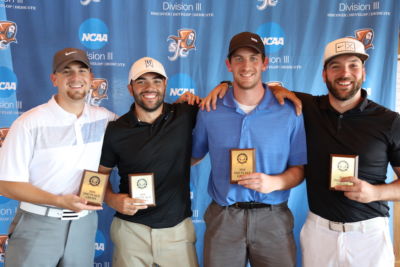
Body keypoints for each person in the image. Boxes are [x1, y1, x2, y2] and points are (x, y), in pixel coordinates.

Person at [206, 37, 400, 267]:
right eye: (335, 66)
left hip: (368, 235)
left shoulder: (389, 121)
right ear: (324, 74)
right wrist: (225, 86)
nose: (344, 73)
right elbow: (254, 88)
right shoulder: (304, 106)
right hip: (319, 232)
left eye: (353, 65)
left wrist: (375, 193)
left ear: (364, 72)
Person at [191, 31, 307, 267]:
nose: (246, 66)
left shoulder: (289, 111)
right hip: (224, 219)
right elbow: (193, 156)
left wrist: (275, 183)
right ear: (229, 65)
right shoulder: (209, 109)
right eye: (239, 59)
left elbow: (299, 169)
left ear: (265, 63)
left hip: (273, 219)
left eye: (254, 58)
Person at [0, 48, 117, 266]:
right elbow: (6, 185)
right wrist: (59, 201)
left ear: (91, 78)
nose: (75, 78)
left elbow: (144, 128)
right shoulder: (29, 123)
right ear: (54, 79)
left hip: (83, 227)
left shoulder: (105, 119)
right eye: (66, 71)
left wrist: (181, 107)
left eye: (82, 71)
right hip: (37, 225)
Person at [98, 57, 199, 267]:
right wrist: (111, 199)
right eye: (141, 81)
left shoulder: (185, 114)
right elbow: (100, 174)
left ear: (165, 84)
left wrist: (283, 93)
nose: (150, 87)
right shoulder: (116, 129)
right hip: (131, 233)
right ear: (130, 88)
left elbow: (230, 101)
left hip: (177, 232)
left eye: (157, 81)